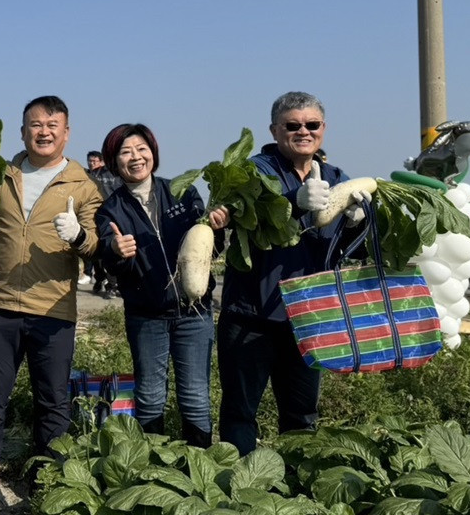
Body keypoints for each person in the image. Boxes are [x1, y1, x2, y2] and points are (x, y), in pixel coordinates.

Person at [0, 95, 102, 515]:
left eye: (52, 124)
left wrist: (79, 236)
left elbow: (96, 246)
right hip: (2, 306)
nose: (44, 131)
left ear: (66, 132)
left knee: (52, 405)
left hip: (53, 310)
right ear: (22, 131)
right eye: (35, 124)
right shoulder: (1, 176)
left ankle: (50, 493)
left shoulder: (82, 185)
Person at [217, 91, 366, 457]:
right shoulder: (253, 172)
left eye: (312, 125)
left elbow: (353, 251)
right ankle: (235, 493)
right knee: (240, 412)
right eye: (293, 125)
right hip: (252, 315)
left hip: (308, 318)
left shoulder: (336, 178)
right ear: (275, 129)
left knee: (301, 415)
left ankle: (296, 494)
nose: (303, 131)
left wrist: (356, 225)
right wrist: (293, 203)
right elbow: (252, 214)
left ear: (323, 129)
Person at [95, 123, 228, 446]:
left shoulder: (182, 191)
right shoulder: (110, 209)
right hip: (146, 314)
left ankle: (198, 468)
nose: (136, 157)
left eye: (141, 149)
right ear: (114, 163)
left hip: (194, 313)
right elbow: (108, 258)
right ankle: (154, 470)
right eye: (125, 152)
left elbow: (211, 247)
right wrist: (115, 250)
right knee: (151, 395)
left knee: (195, 396)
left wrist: (218, 228)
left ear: (153, 153)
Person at [84, 150, 118, 297]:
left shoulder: (116, 174)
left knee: (110, 250)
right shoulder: (90, 175)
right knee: (96, 252)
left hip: (113, 217)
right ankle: (99, 279)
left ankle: (112, 285)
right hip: (95, 217)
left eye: (95, 161)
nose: (92, 164)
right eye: (89, 161)